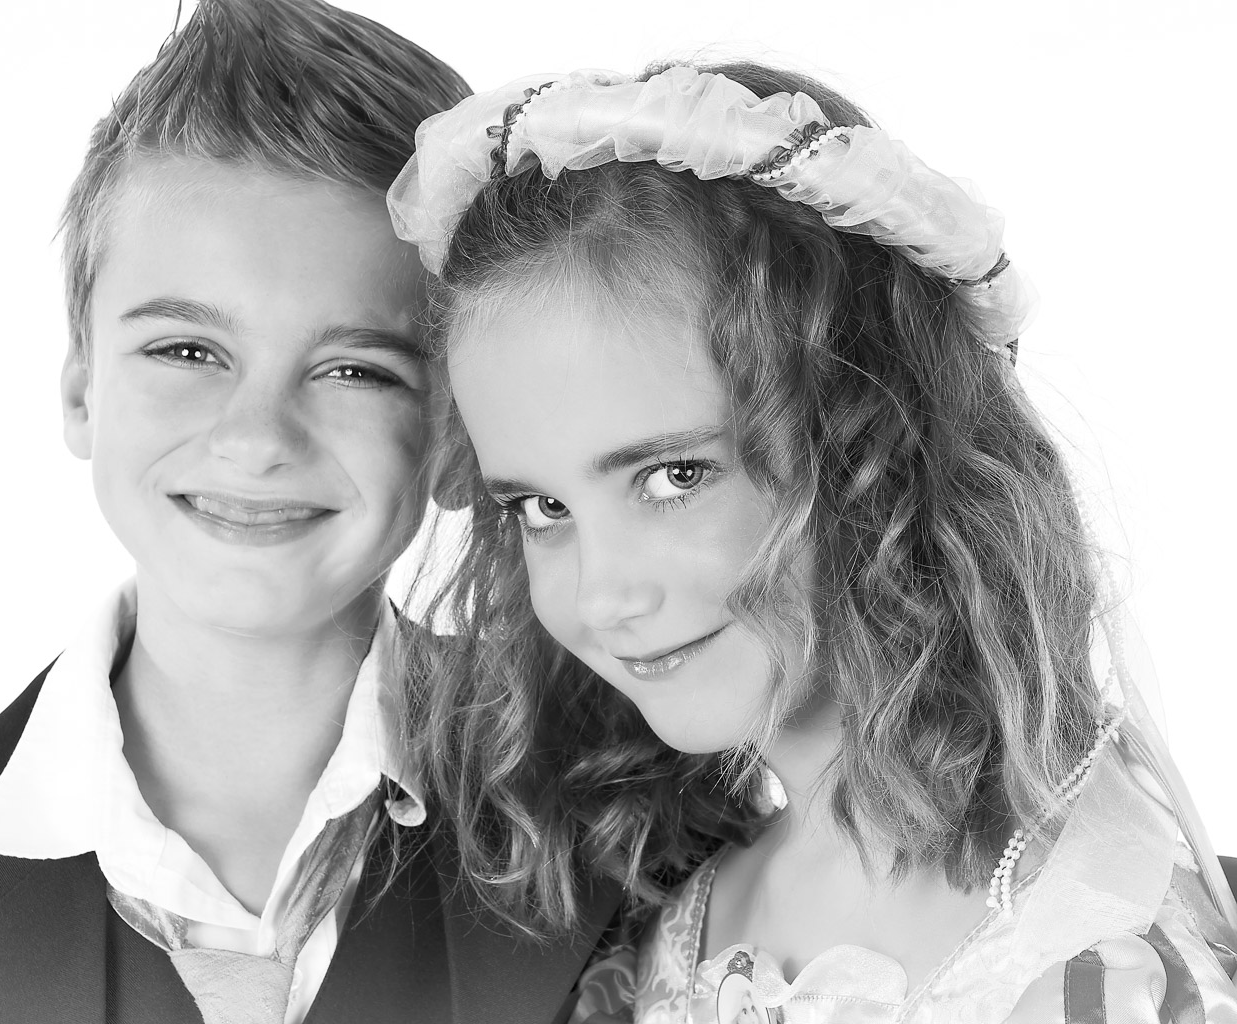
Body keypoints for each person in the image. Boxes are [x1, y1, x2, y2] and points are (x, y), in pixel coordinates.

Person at [0, 3, 621, 1021]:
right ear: (80, 391)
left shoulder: (630, 808)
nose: (257, 437)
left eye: (357, 369)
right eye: (187, 351)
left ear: (459, 432)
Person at [388, 60, 1237, 1021]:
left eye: (674, 477)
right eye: (543, 509)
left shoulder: (1104, 965)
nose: (601, 596)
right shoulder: (651, 933)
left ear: (880, 443)